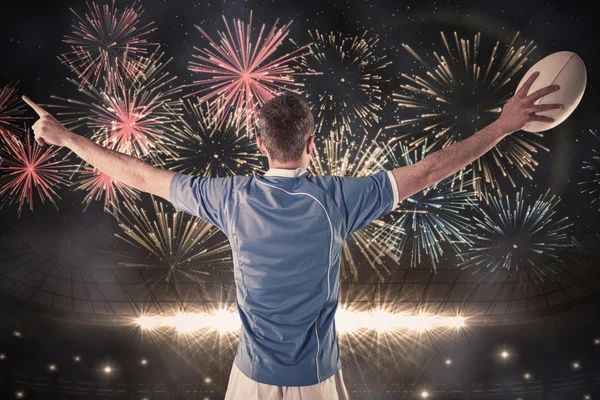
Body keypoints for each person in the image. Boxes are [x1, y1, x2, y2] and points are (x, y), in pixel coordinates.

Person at [22, 71, 560, 400]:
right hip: (318, 381)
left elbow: (138, 174)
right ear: (311, 143)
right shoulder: (336, 202)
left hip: (249, 378)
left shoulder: (228, 199)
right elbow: (430, 170)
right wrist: (504, 124)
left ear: (260, 143)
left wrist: (67, 137)